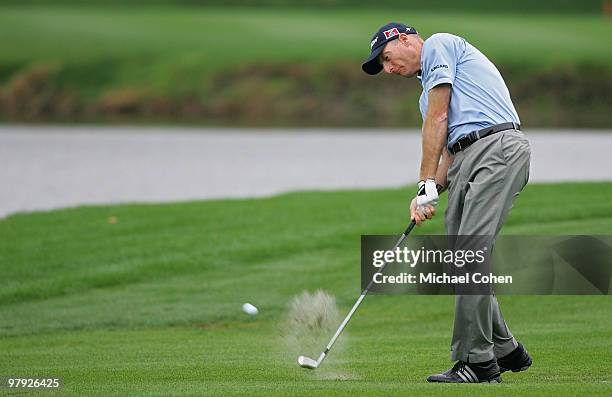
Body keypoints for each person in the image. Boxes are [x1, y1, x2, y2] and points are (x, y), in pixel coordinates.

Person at [361, 22, 533, 383]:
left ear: (405, 40)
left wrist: (424, 181)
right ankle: (505, 349)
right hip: (466, 158)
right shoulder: (426, 94)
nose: (389, 70)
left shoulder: (440, 45)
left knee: (470, 253)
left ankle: (479, 363)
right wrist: (427, 193)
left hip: (496, 149)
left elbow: (439, 119)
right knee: (461, 258)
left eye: (388, 59)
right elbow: (450, 152)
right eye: (383, 67)